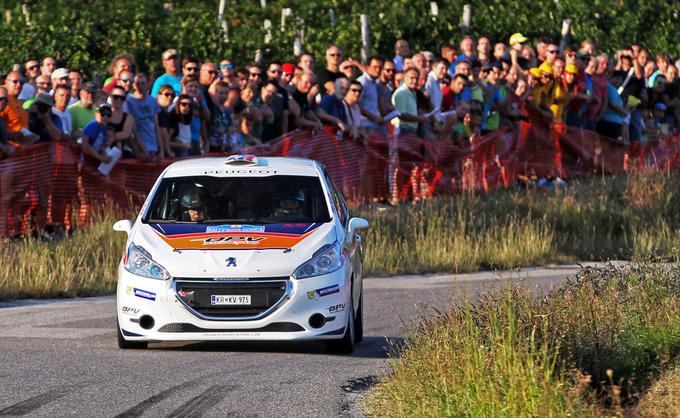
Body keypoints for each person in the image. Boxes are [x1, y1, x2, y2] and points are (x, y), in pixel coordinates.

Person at [127, 73, 164, 160]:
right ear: (134, 85)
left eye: (143, 83)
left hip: (153, 146)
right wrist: (142, 151)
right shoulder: (129, 101)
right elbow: (133, 130)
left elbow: (156, 126)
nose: (140, 86)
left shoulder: (152, 101)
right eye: (138, 83)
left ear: (148, 84)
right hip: (138, 148)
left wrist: (161, 150)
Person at [392, 68, 425, 135]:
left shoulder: (412, 92)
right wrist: (418, 118)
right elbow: (401, 114)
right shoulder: (402, 92)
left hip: (410, 129)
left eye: (417, 78)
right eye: (411, 78)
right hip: (403, 129)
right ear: (404, 78)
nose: (415, 81)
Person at [357, 56, 384, 133]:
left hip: (373, 125)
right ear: (368, 67)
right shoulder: (362, 82)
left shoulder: (374, 83)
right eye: (375, 67)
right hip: (364, 125)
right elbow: (357, 104)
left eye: (380, 67)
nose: (378, 70)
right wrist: (374, 118)